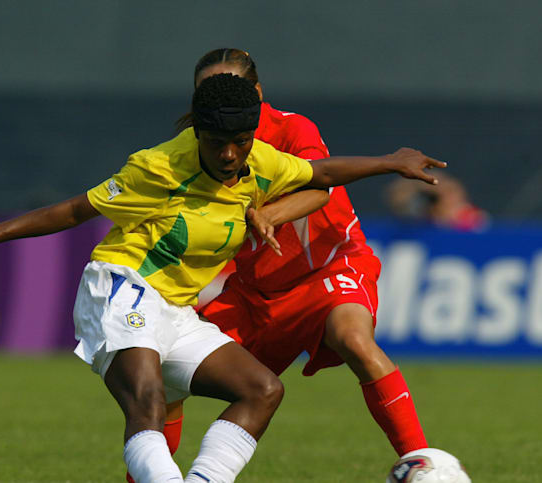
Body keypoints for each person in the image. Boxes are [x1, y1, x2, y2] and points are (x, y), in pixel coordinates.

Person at [0, 73, 443, 482]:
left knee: (262, 390)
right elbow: (72, 211)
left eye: (240, 142)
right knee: (148, 400)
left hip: (175, 309)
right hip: (119, 286)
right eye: (218, 142)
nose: (228, 155)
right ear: (197, 132)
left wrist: (389, 162)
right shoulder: (156, 168)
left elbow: (322, 175)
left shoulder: (261, 162)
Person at [153, 48, 432, 473]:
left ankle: (423, 467)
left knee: (355, 341)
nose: (223, 98)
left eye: (235, 87)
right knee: (165, 380)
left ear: (258, 93)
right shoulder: (196, 150)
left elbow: (320, 184)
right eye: (208, 91)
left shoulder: (290, 128)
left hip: (329, 268)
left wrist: (267, 214)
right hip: (256, 294)